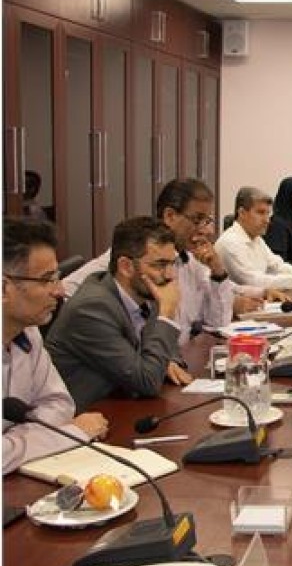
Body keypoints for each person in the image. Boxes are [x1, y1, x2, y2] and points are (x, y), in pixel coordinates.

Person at [62, 178, 254, 341]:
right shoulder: (134, 256)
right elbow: (65, 291)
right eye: (197, 220)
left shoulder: (191, 259)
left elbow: (217, 322)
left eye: (208, 221)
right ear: (170, 216)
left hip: (178, 357)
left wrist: (218, 271)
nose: (207, 230)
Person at [45, 218, 193, 412]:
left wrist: (167, 361)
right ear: (125, 266)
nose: (170, 275)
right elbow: (147, 381)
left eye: (172, 264)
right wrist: (166, 314)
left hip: (124, 404)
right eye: (160, 265)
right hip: (86, 417)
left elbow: (168, 349)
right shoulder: (92, 308)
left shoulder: (145, 291)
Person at [3, 219, 108, 474]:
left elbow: (60, 404)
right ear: (4, 288)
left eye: (57, 278)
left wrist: (15, 442)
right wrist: (71, 434)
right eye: (47, 280)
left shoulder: (28, 332)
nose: (60, 291)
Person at [216, 187, 292, 290]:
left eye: (268, 213)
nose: (267, 220)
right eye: (261, 213)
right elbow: (253, 282)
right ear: (242, 213)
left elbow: (277, 267)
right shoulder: (230, 242)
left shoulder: (256, 239)